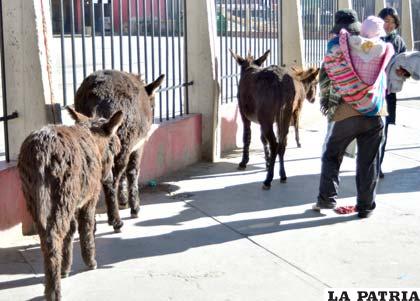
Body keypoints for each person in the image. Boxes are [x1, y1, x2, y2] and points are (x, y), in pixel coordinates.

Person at [313, 14, 395, 218]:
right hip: (375, 112)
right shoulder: (382, 47)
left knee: (332, 154)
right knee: (369, 161)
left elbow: (327, 79)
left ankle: (326, 199)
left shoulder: (338, 46)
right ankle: (365, 207)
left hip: (346, 112)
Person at [378, 7, 407, 178]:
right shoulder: (373, 38)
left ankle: (378, 164)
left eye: (392, 21)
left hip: (389, 94)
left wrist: (405, 72)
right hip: (371, 92)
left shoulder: (399, 42)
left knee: (384, 130)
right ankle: (369, 163)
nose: (389, 25)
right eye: (385, 21)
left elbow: (406, 64)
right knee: (370, 130)